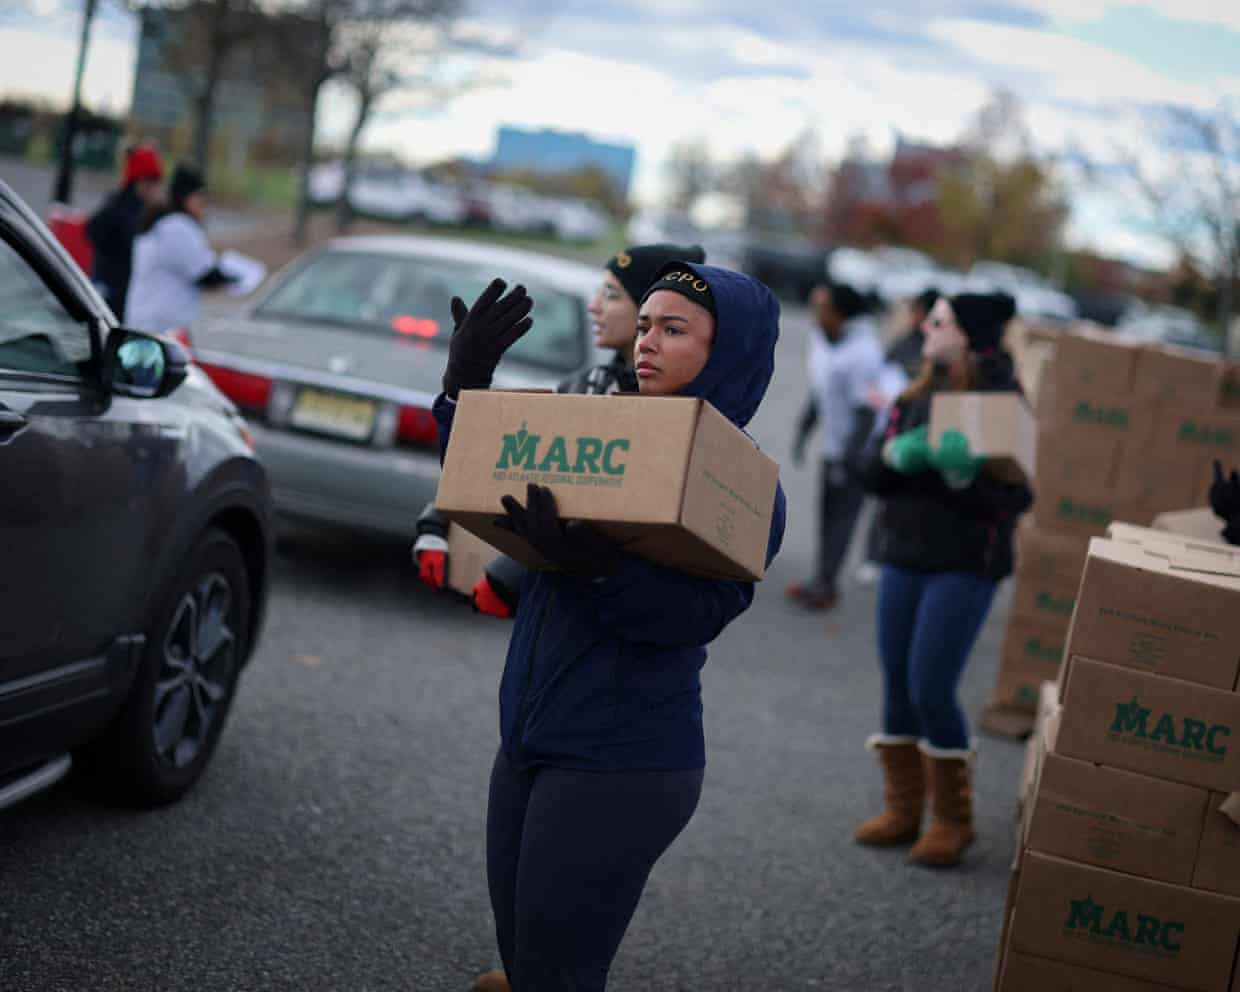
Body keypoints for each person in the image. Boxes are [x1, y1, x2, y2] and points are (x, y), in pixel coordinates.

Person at [431, 263, 785, 992]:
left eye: (674, 330)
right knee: (524, 959)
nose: (646, 343)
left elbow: (696, 617)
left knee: (559, 975)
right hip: (528, 741)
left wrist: (595, 568)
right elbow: (481, 477)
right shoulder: (609, 431)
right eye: (645, 326)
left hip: (621, 764)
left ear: (728, 351)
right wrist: (461, 389)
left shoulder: (746, 485)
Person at [413, 243, 706, 617]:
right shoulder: (586, 383)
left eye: (612, 295)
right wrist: (437, 519)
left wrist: (511, 574)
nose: (595, 305)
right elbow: (507, 468)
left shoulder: (680, 418)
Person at [853, 291, 1032, 867]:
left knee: (931, 683)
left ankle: (953, 820)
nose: (926, 325)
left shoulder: (1002, 398)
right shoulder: (916, 388)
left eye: (941, 319)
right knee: (896, 683)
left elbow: (1018, 495)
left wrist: (967, 475)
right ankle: (903, 809)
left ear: (971, 335)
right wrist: (894, 456)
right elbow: (869, 474)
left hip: (965, 564)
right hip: (903, 553)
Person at [786, 280, 884, 612]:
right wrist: (803, 430)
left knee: (842, 517)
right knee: (826, 514)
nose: (815, 314)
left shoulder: (865, 353)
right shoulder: (822, 340)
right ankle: (820, 578)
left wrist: (849, 460)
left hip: (857, 450)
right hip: (832, 446)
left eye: (822, 308)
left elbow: (867, 412)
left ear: (841, 314)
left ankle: (827, 586)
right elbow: (820, 390)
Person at [125, 163, 236, 333]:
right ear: (186, 198)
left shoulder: (161, 222)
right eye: (201, 198)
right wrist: (236, 277)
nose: (204, 206)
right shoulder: (178, 226)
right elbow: (204, 274)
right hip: (161, 327)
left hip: (145, 319)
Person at [85, 143, 165, 319]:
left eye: (156, 182)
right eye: (150, 181)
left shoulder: (142, 208)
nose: (154, 187)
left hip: (126, 292)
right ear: (137, 181)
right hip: (112, 291)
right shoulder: (119, 207)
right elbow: (93, 231)